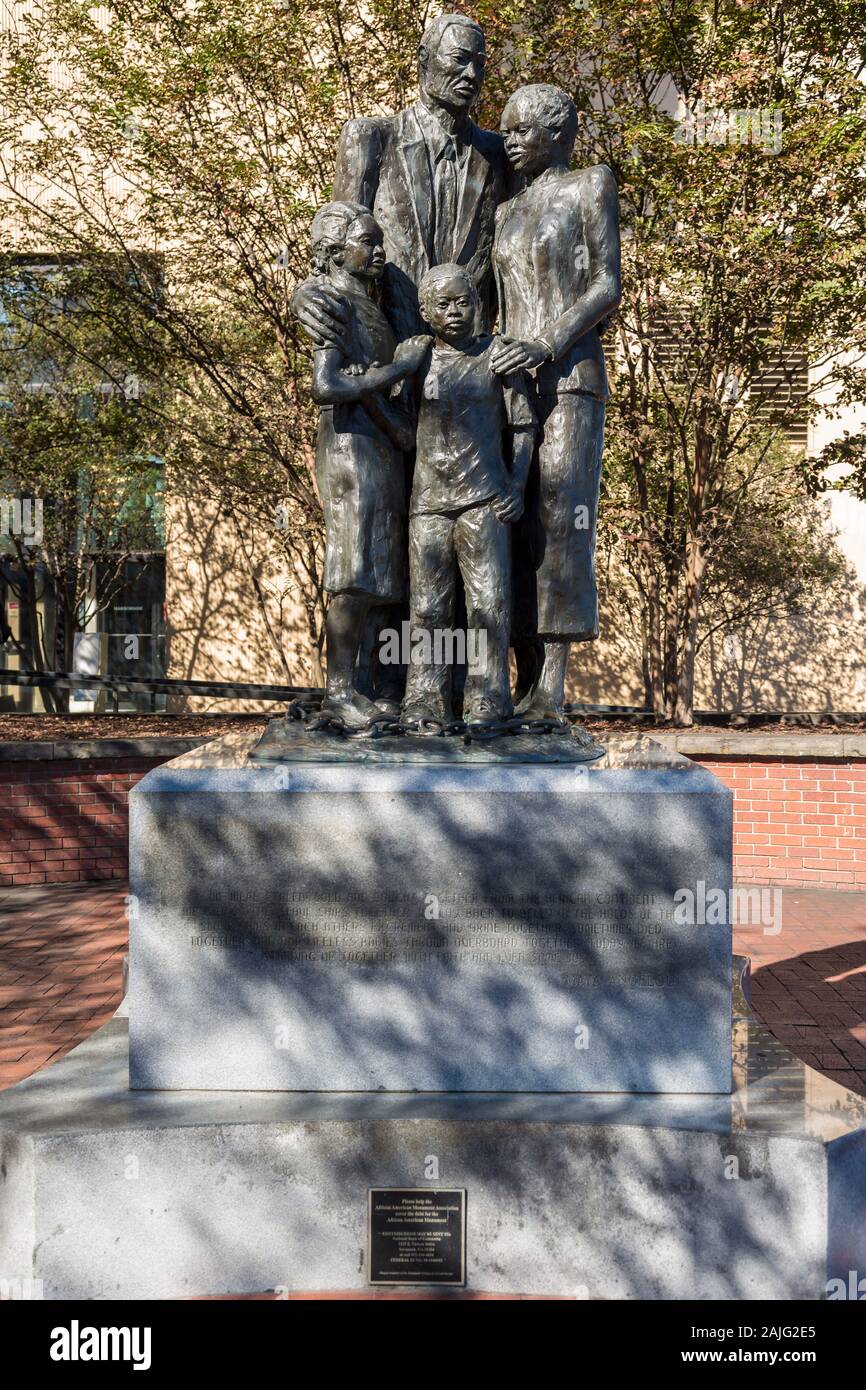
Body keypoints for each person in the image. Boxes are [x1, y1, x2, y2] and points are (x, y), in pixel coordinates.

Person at [491, 84, 622, 721]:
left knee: (562, 522)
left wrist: (544, 343)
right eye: (505, 131)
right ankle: (521, 681)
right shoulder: (504, 212)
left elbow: (606, 284)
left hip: (570, 377)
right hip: (511, 386)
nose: (509, 140)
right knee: (511, 526)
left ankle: (554, 690)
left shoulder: (589, 185)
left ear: (558, 131)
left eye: (520, 129)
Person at [293, 13, 509, 346]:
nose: (471, 74)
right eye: (460, 59)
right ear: (424, 60)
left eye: (480, 64)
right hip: (391, 347)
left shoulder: (499, 154)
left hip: (471, 362)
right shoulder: (373, 138)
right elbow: (336, 242)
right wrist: (307, 292)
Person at [308, 202, 430, 728]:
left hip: (379, 443)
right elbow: (326, 385)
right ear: (336, 252)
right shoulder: (332, 301)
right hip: (349, 449)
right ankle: (338, 691)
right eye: (368, 242)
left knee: (380, 573)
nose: (380, 252)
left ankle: (375, 688)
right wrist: (399, 367)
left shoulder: (371, 302)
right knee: (353, 573)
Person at [401, 264, 536, 725]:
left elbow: (523, 426)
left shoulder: (498, 356)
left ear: (478, 307)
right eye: (444, 304)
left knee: (488, 603)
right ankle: (425, 699)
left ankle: (487, 697)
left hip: (485, 499)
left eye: (463, 302)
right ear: (425, 312)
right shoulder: (416, 359)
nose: (455, 311)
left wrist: (517, 486)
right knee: (427, 607)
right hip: (429, 502)